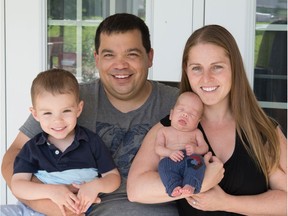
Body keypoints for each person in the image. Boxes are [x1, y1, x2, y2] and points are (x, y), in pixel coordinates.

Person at [1, 13, 182, 216]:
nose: (120, 65)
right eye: (109, 55)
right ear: (96, 59)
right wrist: (54, 207)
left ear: (149, 57)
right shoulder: (69, 100)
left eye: (131, 54)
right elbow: (12, 157)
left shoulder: (178, 104)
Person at [127, 24, 287, 215]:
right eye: (197, 68)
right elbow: (136, 190)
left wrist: (226, 202)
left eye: (217, 67)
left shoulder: (262, 130)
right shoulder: (171, 127)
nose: (206, 78)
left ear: (234, 68)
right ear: (186, 70)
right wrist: (200, 183)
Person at [9, 69, 121, 216]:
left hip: (78, 212)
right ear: (35, 114)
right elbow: (18, 185)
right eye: (47, 113)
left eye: (66, 111)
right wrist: (51, 191)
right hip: (32, 211)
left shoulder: (91, 142)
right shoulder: (33, 147)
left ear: (78, 109)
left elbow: (113, 178)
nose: (58, 120)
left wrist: (95, 186)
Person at [156, 92, 208, 197]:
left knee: (198, 162)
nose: (185, 114)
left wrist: (195, 150)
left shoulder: (196, 132)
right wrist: (170, 153)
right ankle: (173, 186)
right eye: (181, 110)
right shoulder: (163, 131)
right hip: (170, 159)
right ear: (171, 114)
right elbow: (158, 148)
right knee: (163, 166)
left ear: (198, 122)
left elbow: (204, 148)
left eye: (192, 114)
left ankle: (190, 184)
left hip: (190, 157)